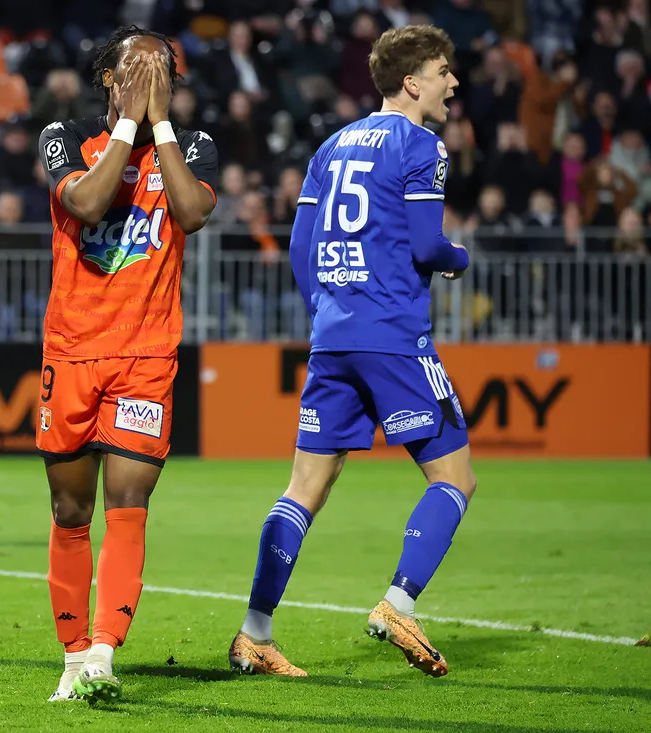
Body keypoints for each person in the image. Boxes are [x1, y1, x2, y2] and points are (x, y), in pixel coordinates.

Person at [228, 25, 476, 680]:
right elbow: (428, 247)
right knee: (455, 479)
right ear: (412, 82)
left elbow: (301, 249)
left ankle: (255, 631)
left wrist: (327, 317)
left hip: (334, 336)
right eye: (445, 71)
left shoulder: (332, 145)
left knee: (304, 488)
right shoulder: (422, 143)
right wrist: (459, 258)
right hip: (393, 333)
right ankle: (398, 601)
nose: (454, 83)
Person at [36, 26, 218, 703]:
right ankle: (72, 651)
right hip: (73, 349)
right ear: (108, 76)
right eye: (135, 64)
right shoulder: (63, 136)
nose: (148, 73)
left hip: (146, 353)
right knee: (68, 505)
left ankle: (104, 655)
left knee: (129, 500)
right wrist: (127, 130)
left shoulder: (193, 145)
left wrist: (160, 123)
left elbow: (193, 212)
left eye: (161, 67)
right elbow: (85, 201)